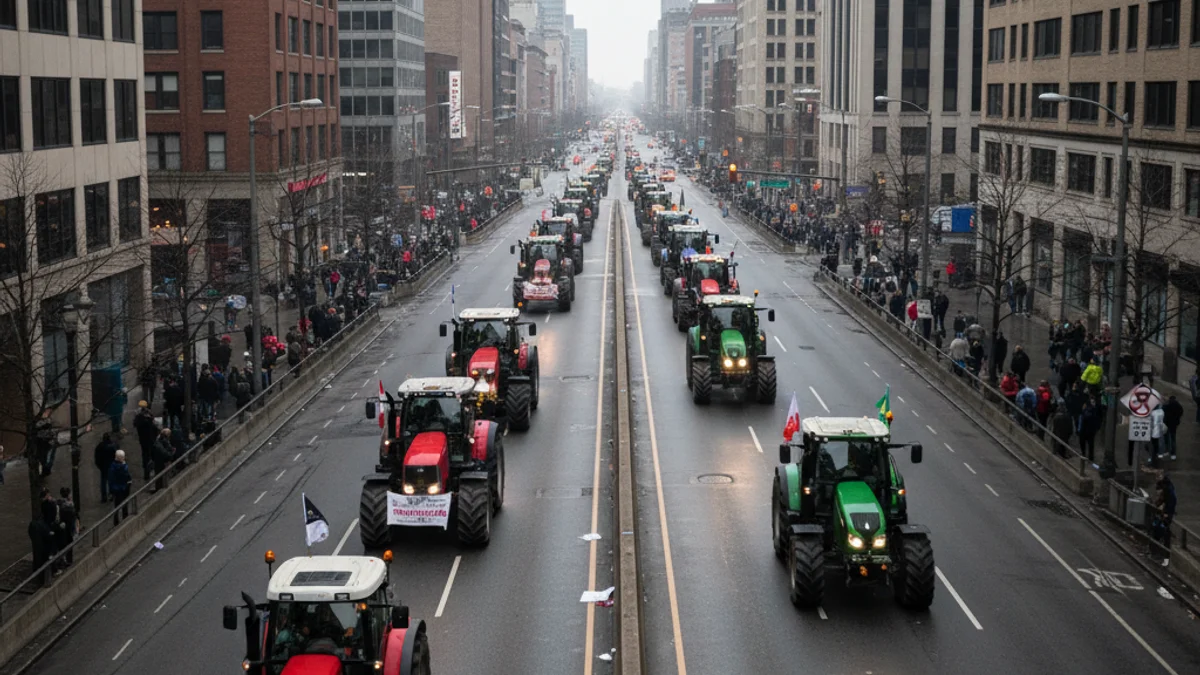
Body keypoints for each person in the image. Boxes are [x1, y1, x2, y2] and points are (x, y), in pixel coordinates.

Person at [133, 400, 159, 481]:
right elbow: (155, 427)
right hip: (150, 439)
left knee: (145, 456)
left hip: (143, 440)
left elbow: (135, 424)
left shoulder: (138, 418)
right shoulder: (149, 419)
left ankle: (146, 474)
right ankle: (152, 470)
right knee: (152, 455)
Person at [55, 487, 78, 567]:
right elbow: (73, 519)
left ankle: (62, 560)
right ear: (68, 495)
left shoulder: (58, 504)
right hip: (68, 529)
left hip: (62, 528)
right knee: (69, 545)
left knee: (62, 546)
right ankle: (68, 561)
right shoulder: (70, 507)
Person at [1153, 473, 1177, 549]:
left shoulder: (1168, 491)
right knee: (1161, 525)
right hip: (1167, 509)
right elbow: (1161, 500)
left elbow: (1168, 502)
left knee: (1163, 526)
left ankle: (1163, 544)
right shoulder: (1168, 489)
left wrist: (1166, 512)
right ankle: (1161, 542)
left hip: (1168, 511)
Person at [109, 450, 132, 526]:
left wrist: (112, 490)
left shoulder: (112, 467)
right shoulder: (124, 467)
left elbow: (111, 479)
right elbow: (127, 476)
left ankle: (116, 521)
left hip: (116, 489)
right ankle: (125, 518)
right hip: (123, 488)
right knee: (124, 505)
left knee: (117, 506)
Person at [93, 433, 118, 503]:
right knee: (111, 481)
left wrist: (100, 467)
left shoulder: (100, 446)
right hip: (112, 466)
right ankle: (111, 495)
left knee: (103, 482)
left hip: (103, 467)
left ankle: (104, 497)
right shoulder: (113, 446)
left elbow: (97, 458)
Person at [1162, 395, 1183, 461]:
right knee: (1173, 439)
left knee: (1166, 437)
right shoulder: (1178, 405)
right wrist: (1177, 419)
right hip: (1174, 424)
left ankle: (1167, 450)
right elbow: (1181, 412)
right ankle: (1173, 454)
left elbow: (1162, 411)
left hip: (1166, 423)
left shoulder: (1166, 405)